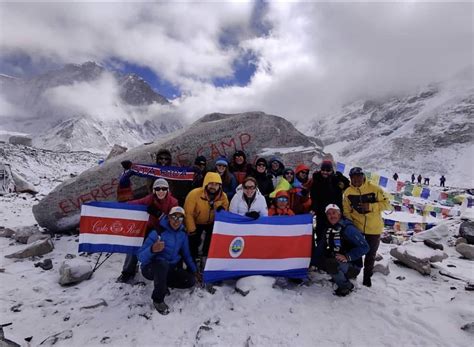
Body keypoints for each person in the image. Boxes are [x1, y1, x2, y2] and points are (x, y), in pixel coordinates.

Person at [137, 206, 198, 315]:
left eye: (180, 218)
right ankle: (158, 299)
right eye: (174, 217)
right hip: (150, 268)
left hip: (169, 268)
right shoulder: (157, 232)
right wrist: (152, 249)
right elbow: (140, 257)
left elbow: (187, 254)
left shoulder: (182, 234)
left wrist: (194, 271)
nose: (176, 221)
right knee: (162, 264)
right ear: (169, 217)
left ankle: (163, 283)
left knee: (190, 281)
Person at [117, 178, 178, 284]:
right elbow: (135, 203)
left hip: (164, 231)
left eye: (164, 189)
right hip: (149, 228)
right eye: (157, 189)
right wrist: (120, 206)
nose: (161, 191)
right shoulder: (149, 199)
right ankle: (127, 272)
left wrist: (160, 214)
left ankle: (166, 275)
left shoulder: (173, 202)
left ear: (167, 190)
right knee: (134, 244)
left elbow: (174, 222)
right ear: (154, 190)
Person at [343, 167, 391, 287]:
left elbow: (387, 204)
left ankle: (367, 277)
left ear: (363, 176)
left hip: (374, 228)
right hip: (357, 228)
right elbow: (346, 211)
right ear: (350, 178)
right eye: (354, 177)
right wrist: (351, 225)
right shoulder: (348, 192)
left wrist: (371, 206)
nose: (356, 180)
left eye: (359, 176)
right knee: (356, 252)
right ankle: (353, 273)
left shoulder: (375, 189)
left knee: (371, 254)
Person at [314, 204, 369, 296]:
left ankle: (346, 286)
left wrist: (348, 256)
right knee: (322, 261)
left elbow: (365, 247)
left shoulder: (348, 228)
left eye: (334, 213)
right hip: (338, 260)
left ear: (339, 214)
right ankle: (337, 275)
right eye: (329, 214)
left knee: (331, 263)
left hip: (352, 265)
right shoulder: (328, 228)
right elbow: (320, 246)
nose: (332, 216)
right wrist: (312, 262)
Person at [184, 172, 229, 266]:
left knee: (211, 240)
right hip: (197, 222)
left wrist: (222, 211)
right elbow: (188, 213)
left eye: (216, 184)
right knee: (193, 240)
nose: (213, 186)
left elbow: (226, 213)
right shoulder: (194, 194)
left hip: (212, 223)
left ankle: (206, 258)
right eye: (211, 183)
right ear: (206, 183)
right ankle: (193, 260)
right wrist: (191, 230)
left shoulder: (223, 196)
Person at [310, 160, 350, 242]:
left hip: (335, 213)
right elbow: (314, 196)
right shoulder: (317, 179)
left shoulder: (337, 179)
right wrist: (314, 208)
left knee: (336, 236)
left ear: (332, 170)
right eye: (323, 170)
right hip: (321, 213)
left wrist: (341, 177)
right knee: (321, 235)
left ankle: (335, 253)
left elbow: (348, 186)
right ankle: (321, 253)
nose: (325, 172)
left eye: (328, 170)